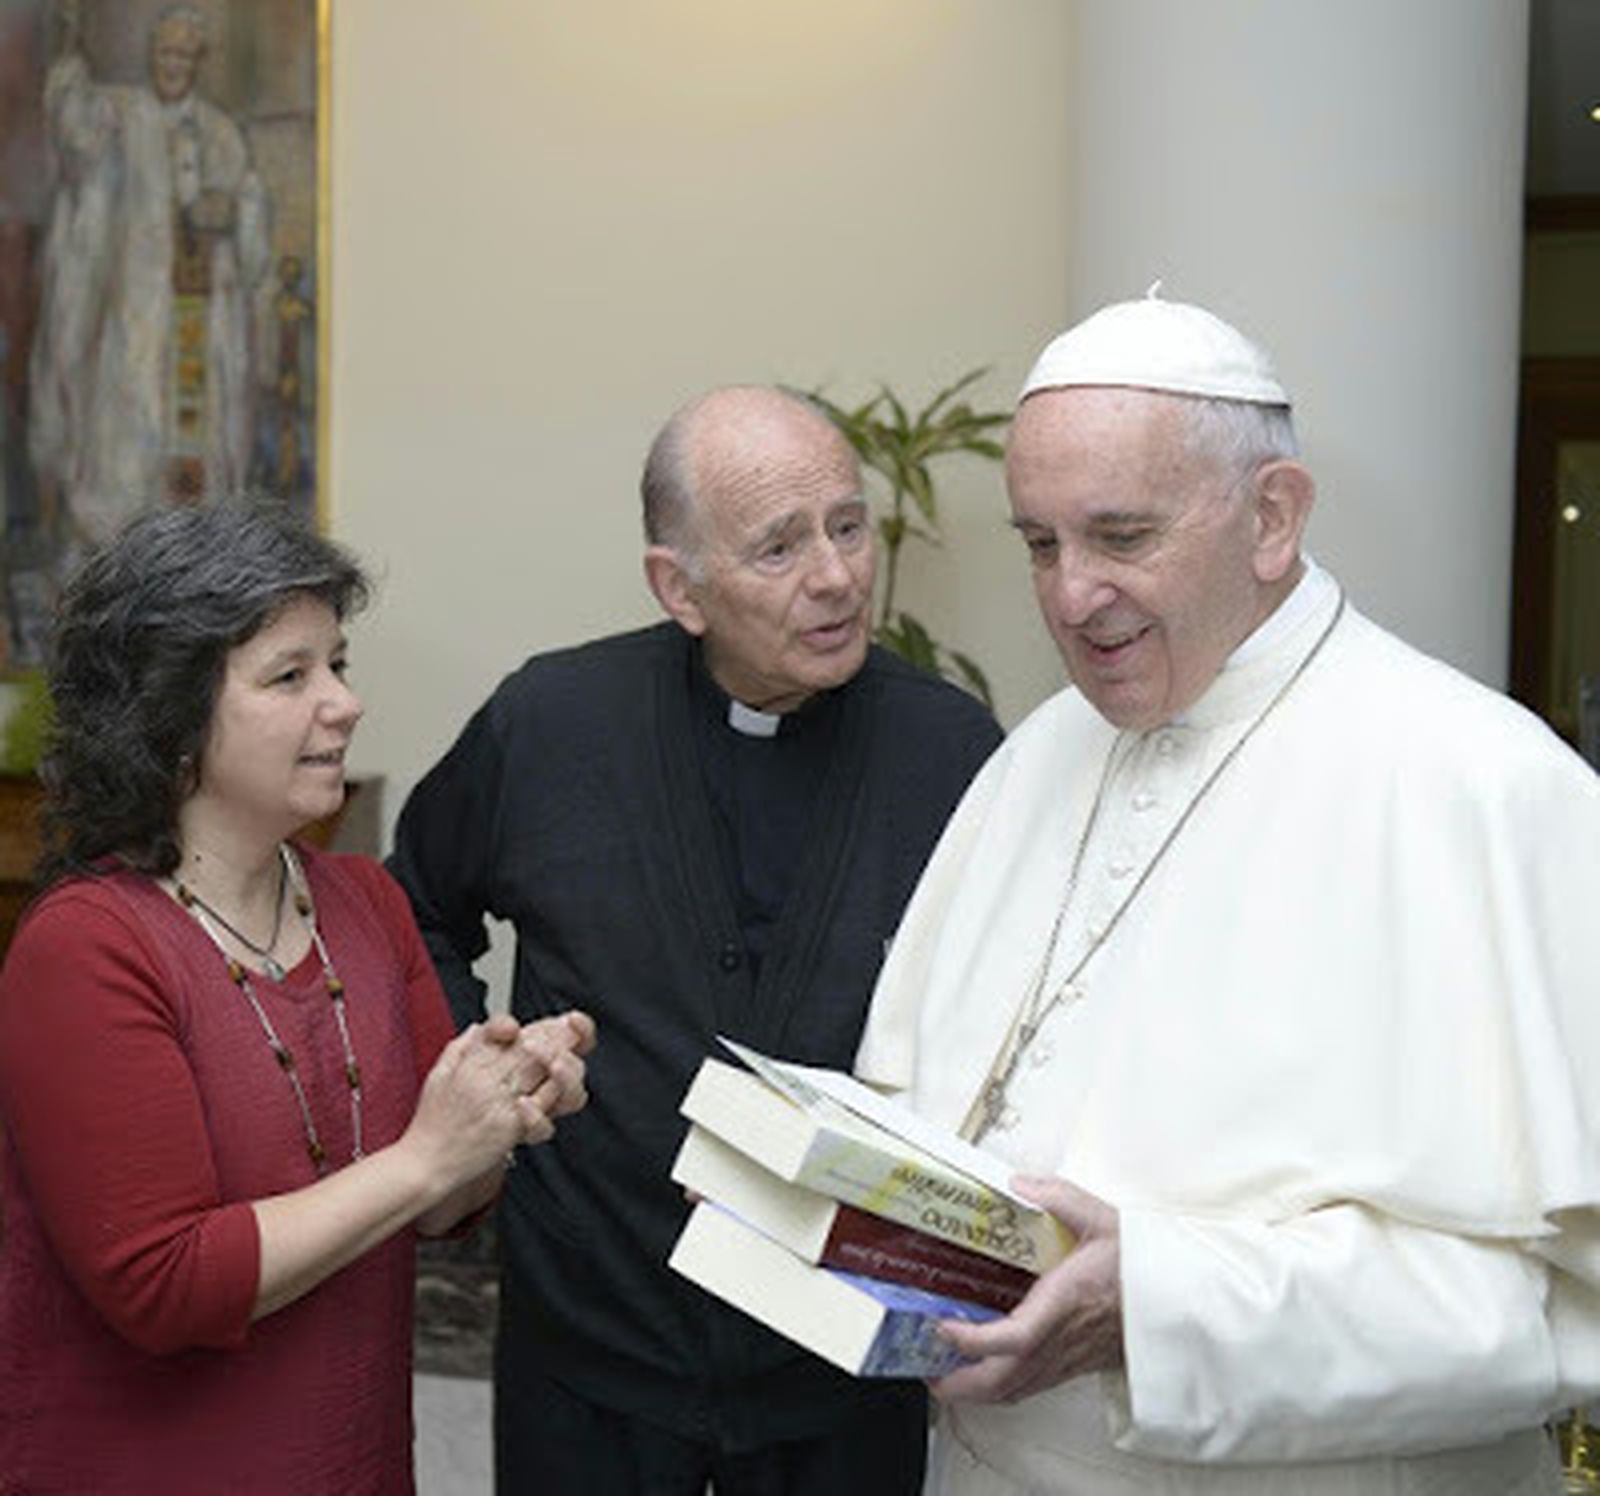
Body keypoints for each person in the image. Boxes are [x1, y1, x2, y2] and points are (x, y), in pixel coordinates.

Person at [856, 289, 1600, 1494]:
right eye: (1040, 543)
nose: (1069, 593)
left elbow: (1550, 1303)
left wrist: (1159, 1304)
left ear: (1271, 516)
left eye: (1121, 535)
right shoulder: (1036, 752)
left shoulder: (1484, 787)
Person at [389, 384, 1003, 1493]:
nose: (837, 574)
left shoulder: (951, 751)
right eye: (779, 546)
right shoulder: (550, 723)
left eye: (848, 524)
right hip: (592, 1339)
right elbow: (413, 905)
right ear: (680, 586)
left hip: (839, 1365)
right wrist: (481, 1091)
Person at [0, 502, 594, 1494]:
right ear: (172, 715)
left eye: (339, 664)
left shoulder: (369, 902)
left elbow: (440, 1201)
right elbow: (166, 1283)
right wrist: (425, 1155)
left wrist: (498, 1111)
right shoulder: (87, 943)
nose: (344, 703)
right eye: (291, 674)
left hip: (350, 1460)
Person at [27, 2, 272, 552]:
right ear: (151, 54)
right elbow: (76, 139)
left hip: (200, 332)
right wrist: (68, 57)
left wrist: (231, 214)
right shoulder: (122, 117)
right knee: (124, 462)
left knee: (197, 474)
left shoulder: (222, 134)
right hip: (134, 324)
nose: (174, 64)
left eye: (185, 54)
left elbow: (253, 226)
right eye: (165, 51)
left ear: (199, 60)